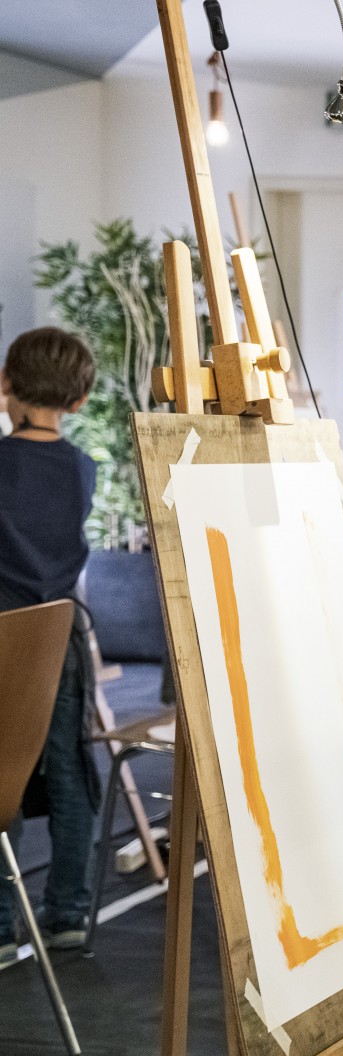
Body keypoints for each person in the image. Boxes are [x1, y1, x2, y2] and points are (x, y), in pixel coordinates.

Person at [0, 327, 100, 966]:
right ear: (79, 399)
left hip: (1, 634)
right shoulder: (81, 468)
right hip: (58, 638)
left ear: (5, 384)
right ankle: (67, 913)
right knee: (68, 772)